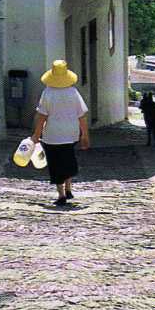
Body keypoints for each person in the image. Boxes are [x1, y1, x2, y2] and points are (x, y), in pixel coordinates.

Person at [30, 60, 90, 207]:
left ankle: (61, 194)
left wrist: (36, 135)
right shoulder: (73, 92)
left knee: (55, 163)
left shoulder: (47, 93)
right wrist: (85, 135)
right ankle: (69, 188)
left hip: (52, 134)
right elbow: (81, 115)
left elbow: (42, 116)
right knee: (67, 159)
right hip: (71, 133)